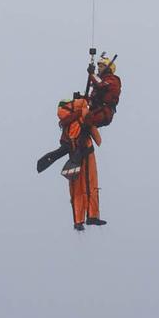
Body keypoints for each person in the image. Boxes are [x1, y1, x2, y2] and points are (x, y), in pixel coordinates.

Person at [56, 91, 104, 231]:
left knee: (76, 190)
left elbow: (63, 142)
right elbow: (98, 140)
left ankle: (78, 221)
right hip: (87, 153)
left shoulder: (65, 123)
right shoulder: (83, 114)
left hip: (73, 158)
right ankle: (92, 216)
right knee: (90, 184)